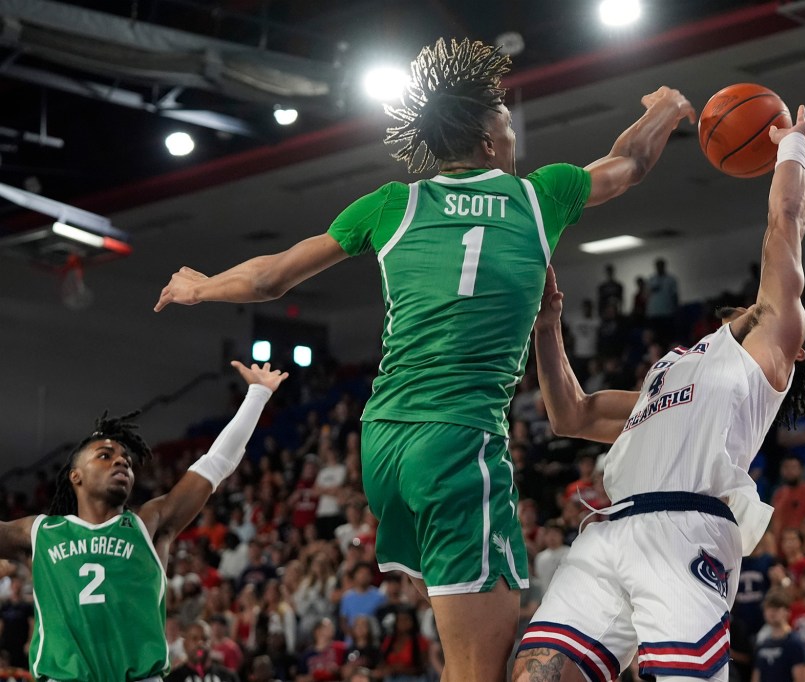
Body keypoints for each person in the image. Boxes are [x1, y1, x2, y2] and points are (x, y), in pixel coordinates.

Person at [154, 37, 695, 682]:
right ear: (491, 144)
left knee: (456, 646)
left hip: (383, 443)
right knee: (480, 670)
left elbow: (271, 278)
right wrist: (666, 107)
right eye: (505, 121)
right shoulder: (537, 196)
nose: (512, 130)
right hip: (457, 443)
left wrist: (200, 286)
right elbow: (628, 163)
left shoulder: (392, 204)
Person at [513, 99, 805, 681]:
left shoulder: (761, 359)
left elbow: (783, 225)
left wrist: (792, 145)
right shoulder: (673, 371)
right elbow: (573, 415)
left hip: (685, 528)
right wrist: (547, 327)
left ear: (795, 350)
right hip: (610, 531)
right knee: (536, 672)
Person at [0, 361, 286, 682]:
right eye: (105, 455)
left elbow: (215, 465)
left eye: (126, 459)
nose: (121, 460)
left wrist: (258, 395)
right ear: (75, 476)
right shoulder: (40, 532)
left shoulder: (147, 524)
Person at [753, 588, 805, 682]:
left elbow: (802, 678)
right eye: (768, 608)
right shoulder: (763, 643)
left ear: (787, 612)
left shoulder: (795, 643)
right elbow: (756, 676)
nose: (772, 612)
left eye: (776, 608)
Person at [165, 620, 241, 682]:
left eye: (205, 638)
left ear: (211, 643)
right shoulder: (172, 678)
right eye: (194, 639)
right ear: (185, 644)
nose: (200, 643)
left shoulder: (228, 677)